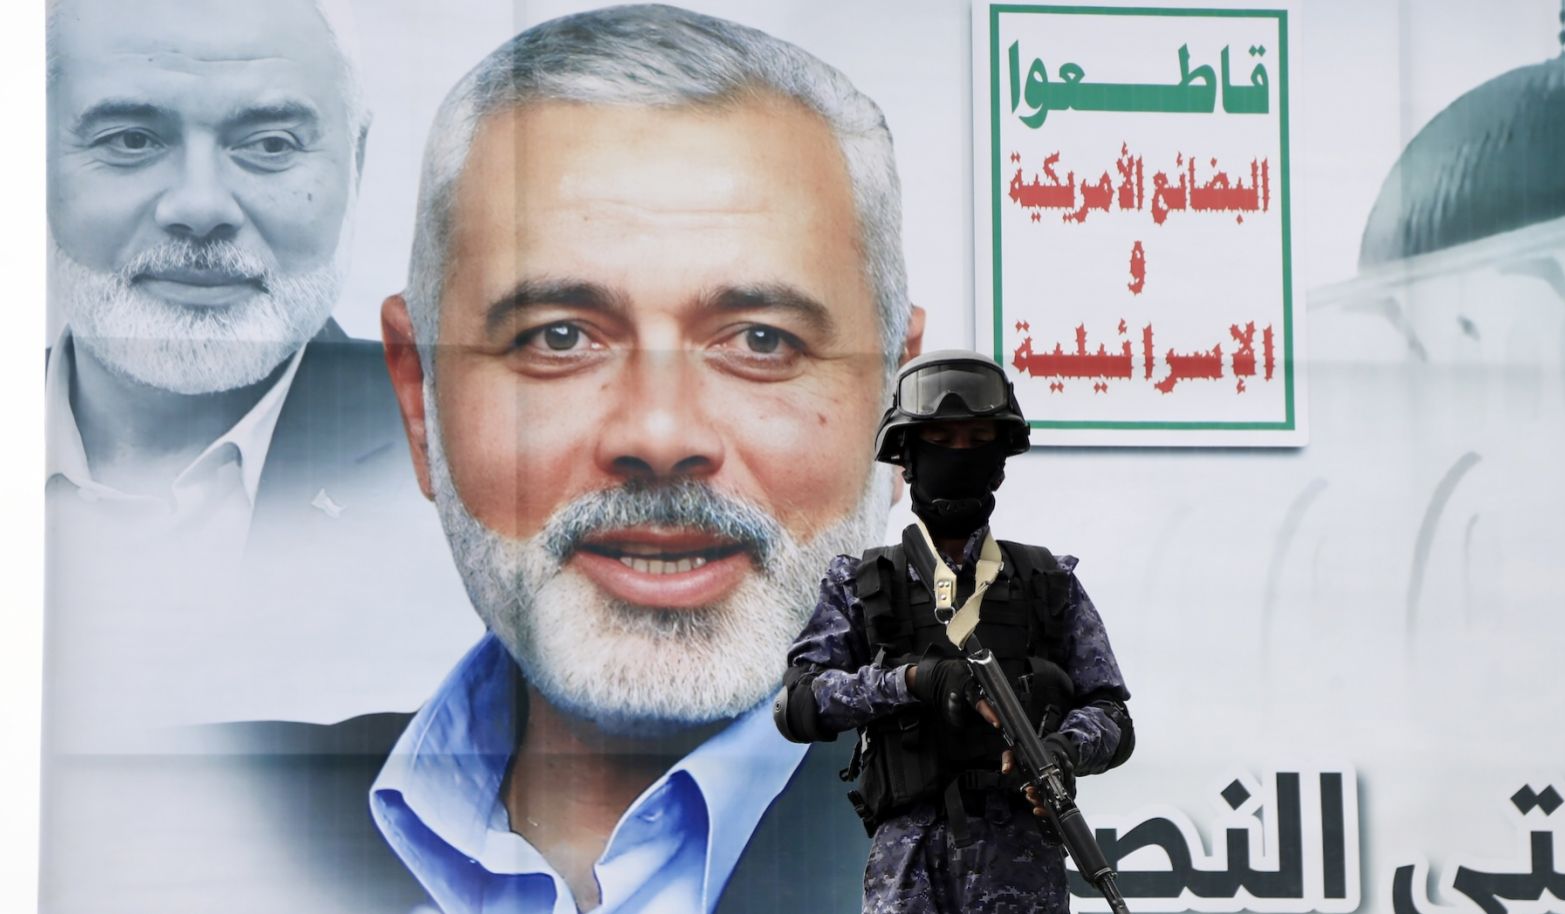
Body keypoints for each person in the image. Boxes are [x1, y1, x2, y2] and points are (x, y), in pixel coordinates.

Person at [191, 6, 927, 913]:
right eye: (562, 336)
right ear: (421, 405)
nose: (660, 434)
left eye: (762, 340)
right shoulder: (186, 820)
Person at [41, 0, 469, 732]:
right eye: (131, 139)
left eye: (270, 144)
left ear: (356, 164)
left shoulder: (475, 461)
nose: (200, 207)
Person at [779, 350, 1136, 913]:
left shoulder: (1048, 581)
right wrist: (915, 681)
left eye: (977, 440)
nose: (960, 454)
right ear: (908, 459)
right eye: (942, 438)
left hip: (1022, 865)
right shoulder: (862, 582)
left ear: (999, 460)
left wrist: (1064, 750)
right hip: (908, 866)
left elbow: (1112, 716)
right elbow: (800, 705)